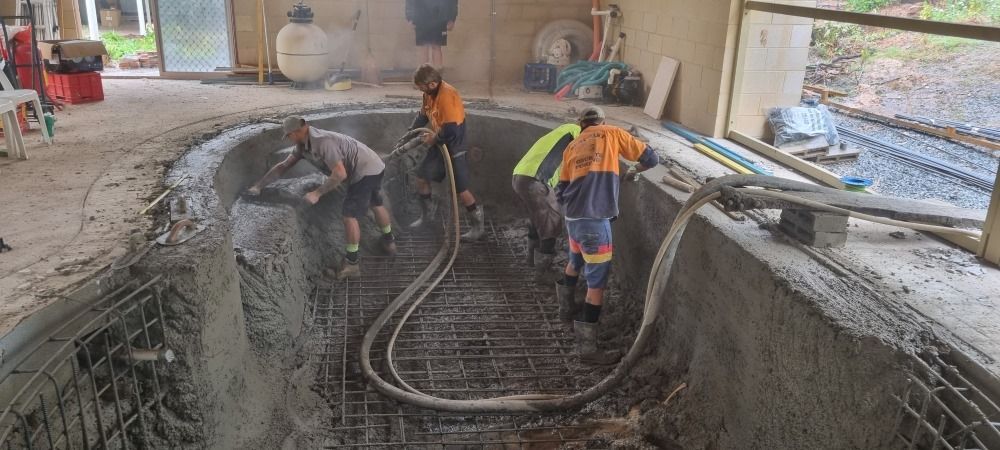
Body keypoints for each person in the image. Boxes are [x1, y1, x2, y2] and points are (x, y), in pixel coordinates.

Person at [555, 106, 659, 364]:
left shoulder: (572, 146)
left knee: (575, 261)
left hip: (573, 219)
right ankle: (588, 350)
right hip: (595, 221)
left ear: (581, 125)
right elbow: (651, 159)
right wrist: (632, 171)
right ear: (603, 121)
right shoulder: (612, 133)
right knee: (596, 284)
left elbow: (560, 189)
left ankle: (565, 311)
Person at [247, 116, 396, 279]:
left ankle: (352, 264)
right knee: (375, 204)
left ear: (297, 132)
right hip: (373, 165)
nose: (288, 139)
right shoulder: (302, 146)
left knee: (349, 216)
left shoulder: (322, 142)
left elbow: (339, 174)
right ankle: (389, 241)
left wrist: (316, 193)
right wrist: (258, 186)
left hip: (364, 171)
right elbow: (283, 166)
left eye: (288, 135)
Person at [408, 64, 485, 241]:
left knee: (461, 188)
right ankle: (427, 217)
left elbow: (451, 130)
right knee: (421, 178)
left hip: (454, 144)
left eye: (421, 87)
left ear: (433, 84)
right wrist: (411, 131)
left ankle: (477, 226)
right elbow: (423, 115)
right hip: (440, 141)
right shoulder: (428, 94)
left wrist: (433, 138)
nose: (421, 91)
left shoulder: (447, 96)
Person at [511, 123, 581, 279]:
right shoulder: (578, 135)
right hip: (536, 180)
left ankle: (531, 259)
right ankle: (543, 273)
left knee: (537, 218)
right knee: (551, 223)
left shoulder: (566, 128)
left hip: (520, 176)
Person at [405, 0, 458, 69]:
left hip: (439, 17)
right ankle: (423, 75)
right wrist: (410, 17)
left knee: (436, 47)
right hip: (421, 17)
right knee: (423, 47)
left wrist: (451, 18)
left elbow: (452, 2)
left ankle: (437, 74)